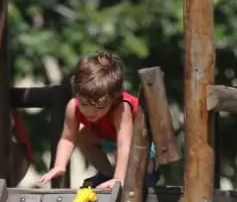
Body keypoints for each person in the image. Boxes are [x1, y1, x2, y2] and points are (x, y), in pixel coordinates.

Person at [36, 51, 156, 193]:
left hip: (142, 147)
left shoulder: (121, 108)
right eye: (85, 104)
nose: (90, 112)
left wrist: (119, 180)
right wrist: (59, 165)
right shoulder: (73, 107)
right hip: (110, 140)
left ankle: (141, 174)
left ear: (113, 99)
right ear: (78, 94)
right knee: (82, 134)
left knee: (134, 161)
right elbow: (68, 138)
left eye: (99, 107)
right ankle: (106, 173)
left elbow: (125, 145)